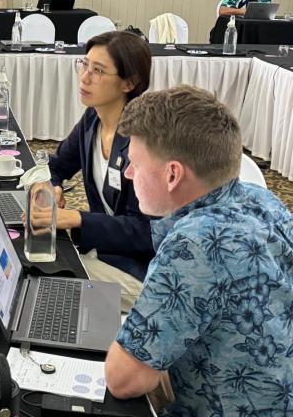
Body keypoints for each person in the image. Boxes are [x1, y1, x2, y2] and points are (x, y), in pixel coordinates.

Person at [105, 86, 293, 415]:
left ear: (172, 174)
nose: (129, 172)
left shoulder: (196, 244)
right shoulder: (263, 200)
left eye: (135, 163)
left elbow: (123, 380)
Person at [38, 31, 154, 311]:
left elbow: (146, 232)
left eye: (98, 70)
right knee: (40, 259)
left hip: (145, 271)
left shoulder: (145, 141)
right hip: (104, 249)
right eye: (85, 65)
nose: (85, 77)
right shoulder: (93, 119)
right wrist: (51, 186)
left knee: (48, 282)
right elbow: (56, 165)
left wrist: (78, 219)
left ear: (130, 82)